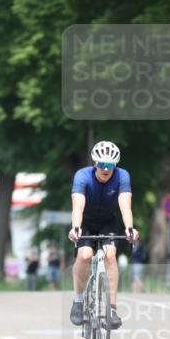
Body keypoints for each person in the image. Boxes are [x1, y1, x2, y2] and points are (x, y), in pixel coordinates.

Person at [69, 140, 138, 329]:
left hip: (108, 221)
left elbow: (125, 205)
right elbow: (78, 206)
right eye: (102, 164)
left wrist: (129, 228)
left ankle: (112, 310)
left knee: (111, 255)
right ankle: (78, 302)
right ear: (95, 163)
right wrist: (75, 227)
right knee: (85, 255)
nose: (106, 169)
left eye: (110, 164)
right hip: (85, 222)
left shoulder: (122, 176)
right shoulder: (82, 176)